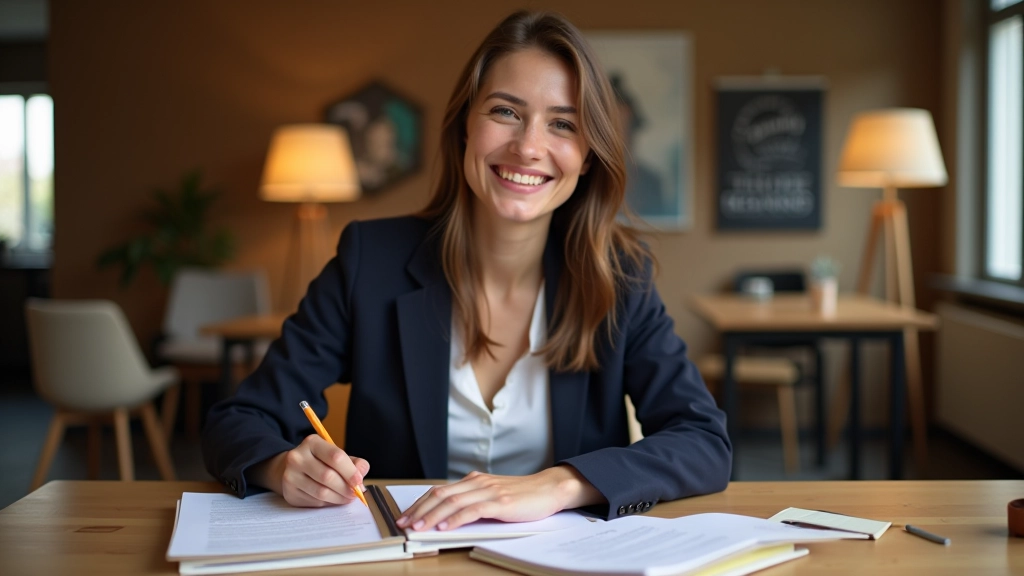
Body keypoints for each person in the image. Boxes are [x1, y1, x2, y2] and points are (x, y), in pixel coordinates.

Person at [202, 10, 730, 532]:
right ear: (463, 128)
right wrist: (282, 467)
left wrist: (560, 484)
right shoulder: (372, 259)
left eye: (563, 124)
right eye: (505, 112)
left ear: (588, 155)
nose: (528, 146)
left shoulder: (621, 276)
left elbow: (703, 442)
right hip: (405, 558)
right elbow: (240, 420)